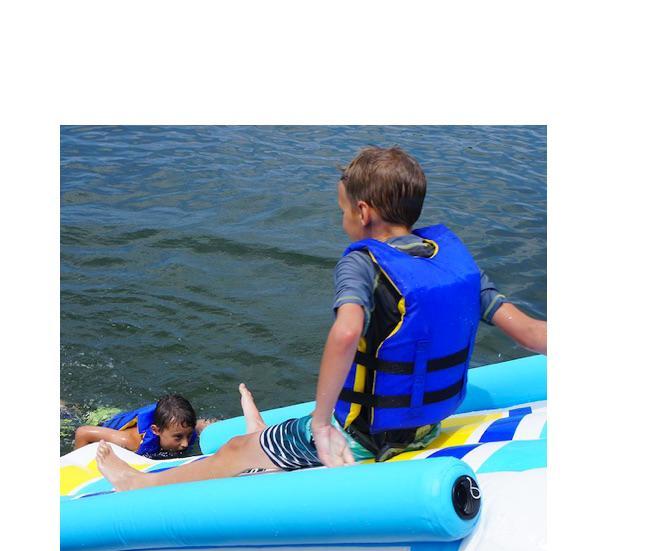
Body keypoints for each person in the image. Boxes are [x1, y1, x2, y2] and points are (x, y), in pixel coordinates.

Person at [95, 146, 547, 490]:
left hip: (366, 437)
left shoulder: (363, 264)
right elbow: (529, 333)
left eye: (342, 211)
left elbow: (348, 330)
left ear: (363, 212)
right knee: (256, 434)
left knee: (234, 450)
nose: (342, 219)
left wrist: (322, 423)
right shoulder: (451, 262)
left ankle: (139, 483)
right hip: (425, 429)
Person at [74, 393, 215, 458]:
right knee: (70, 416)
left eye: (188, 435)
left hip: (124, 415)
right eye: (178, 437)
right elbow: (83, 432)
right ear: (156, 430)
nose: (185, 443)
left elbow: (201, 424)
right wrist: (79, 464)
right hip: (100, 421)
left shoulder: (182, 427)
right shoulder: (130, 441)